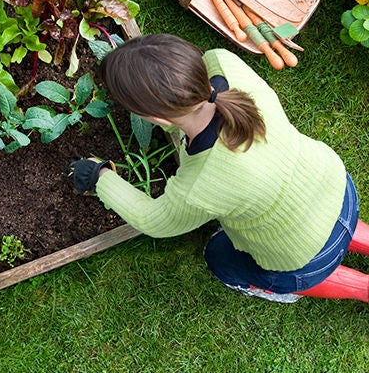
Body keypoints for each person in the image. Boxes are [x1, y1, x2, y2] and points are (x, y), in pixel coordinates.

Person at [69, 33, 369, 303]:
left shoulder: (201, 183)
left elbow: (154, 220)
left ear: (158, 120)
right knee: (330, 221)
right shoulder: (225, 63)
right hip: (338, 189)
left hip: (302, 256)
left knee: (219, 258)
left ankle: (362, 290)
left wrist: (100, 177)